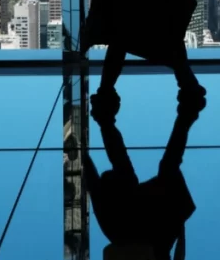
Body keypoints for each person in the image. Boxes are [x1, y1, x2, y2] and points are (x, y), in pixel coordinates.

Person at [85, 94, 203, 260]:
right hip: (141, 233)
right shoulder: (113, 220)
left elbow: (95, 182)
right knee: (162, 170)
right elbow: (93, 182)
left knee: (166, 169)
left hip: (149, 233)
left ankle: (187, 113)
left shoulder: (113, 220)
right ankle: (187, 113)